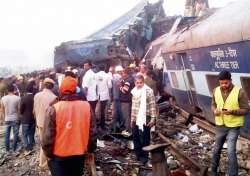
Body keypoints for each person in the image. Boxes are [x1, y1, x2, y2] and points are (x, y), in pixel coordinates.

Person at [42, 76, 96, 176]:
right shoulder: (87, 106)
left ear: (60, 90)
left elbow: (48, 137)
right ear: (76, 90)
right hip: (79, 154)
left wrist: (48, 154)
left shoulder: (54, 109)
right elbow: (92, 132)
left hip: (58, 157)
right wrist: (90, 150)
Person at [211, 70, 249, 176]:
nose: (224, 85)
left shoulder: (240, 92)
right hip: (220, 125)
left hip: (234, 126)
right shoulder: (215, 90)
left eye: (226, 83)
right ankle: (213, 171)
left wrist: (232, 111)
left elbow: (246, 109)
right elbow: (213, 104)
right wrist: (214, 111)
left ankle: (233, 174)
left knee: (230, 151)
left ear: (230, 81)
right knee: (216, 149)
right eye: (221, 83)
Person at [131, 75, 157, 164]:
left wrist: (153, 118)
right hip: (135, 118)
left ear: (143, 82)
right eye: (137, 83)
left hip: (145, 117)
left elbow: (152, 105)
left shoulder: (148, 91)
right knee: (135, 137)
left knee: (145, 138)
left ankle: (144, 157)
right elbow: (133, 107)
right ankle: (138, 155)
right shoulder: (134, 91)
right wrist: (132, 119)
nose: (139, 84)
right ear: (135, 83)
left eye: (140, 83)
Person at [34, 78, 57, 169]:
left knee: (42, 141)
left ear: (44, 85)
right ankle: (43, 163)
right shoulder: (54, 97)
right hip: (48, 124)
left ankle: (41, 161)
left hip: (39, 121)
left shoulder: (37, 95)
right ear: (52, 86)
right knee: (46, 143)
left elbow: (34, 109)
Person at [1, 84, 21, 152]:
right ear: (14, 90)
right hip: (15, 118)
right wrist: (19, 118)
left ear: (7, 90)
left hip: (7, 119)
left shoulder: (3, 98)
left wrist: (3, 118)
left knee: (7, 135)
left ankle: (7, 149)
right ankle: (14, 149)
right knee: (15, 134)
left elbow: (2, 110)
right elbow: (19, 110)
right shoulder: (17, 98)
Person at [20, 82, 36, 153]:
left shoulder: (24, 98)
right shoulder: (35, 97)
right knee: (31, 133)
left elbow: (21, 109)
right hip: (33, 118)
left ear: (26, 90)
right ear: (32, 90)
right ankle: (32, 144)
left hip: (25, 119)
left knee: (25, 134)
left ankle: (27, 147)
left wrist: (21, 113)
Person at [96, 64, 112, 130]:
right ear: (104, 68)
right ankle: (102, 125)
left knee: (96, 110)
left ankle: (97, 123)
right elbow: (110, 86)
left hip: (97, 95)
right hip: (104, 95)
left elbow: (95, 85)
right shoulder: (107, 76)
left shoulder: (95, 75)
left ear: (98, 68)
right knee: (103, 110)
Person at [119, 68, 134, 132]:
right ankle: (129, 128)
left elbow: (125, 90)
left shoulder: (127, 81)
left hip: (126, 100)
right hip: (128, 99)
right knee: (128, 115)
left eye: (123, 73)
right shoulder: (130, 79)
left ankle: (127, 129)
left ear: (126, 73)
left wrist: (120, 86)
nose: (122, 74)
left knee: (126, 115)